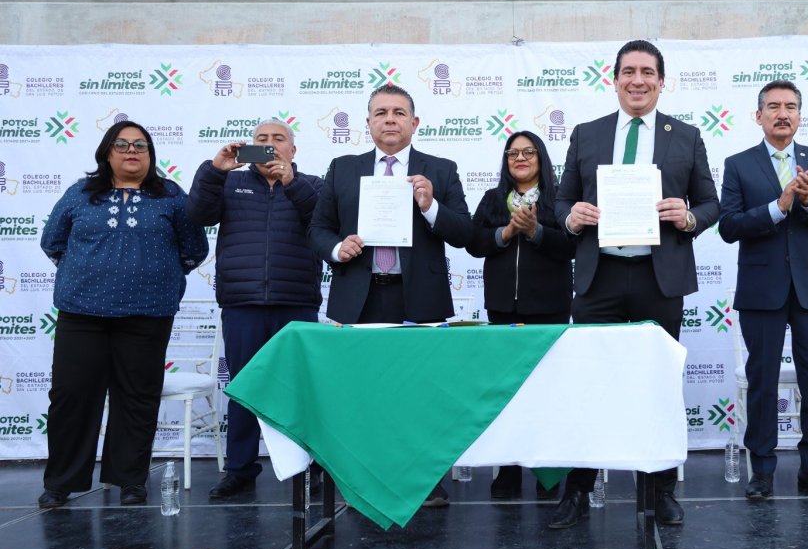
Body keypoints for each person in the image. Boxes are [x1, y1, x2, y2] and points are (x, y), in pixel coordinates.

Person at [550, 39, 720, 530]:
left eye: (648, 72)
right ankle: (577, 490)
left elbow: (711, 203)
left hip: (657, 278)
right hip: (599, 276)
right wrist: (572, 217)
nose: (638, 80)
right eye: (629, 72)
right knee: (587, 384)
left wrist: (688, 216)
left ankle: (660, 490)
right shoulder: (587, 133)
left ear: (662, 82)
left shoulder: (686, 136)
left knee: (659, 385)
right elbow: (561, 201)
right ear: (615, 79)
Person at [309, 83, 474, 507]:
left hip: (419, 298)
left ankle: (425, 480)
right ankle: (361, 478)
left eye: (399, 113)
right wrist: (337, 248)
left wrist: (430, 206)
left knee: (422, 392)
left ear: (414, 123)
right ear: (368, 123)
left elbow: (465, 232)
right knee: (360, 390)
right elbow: (318, 228)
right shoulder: (342, 168)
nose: (390, 120)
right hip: (359, 297)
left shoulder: (441, 169)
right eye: (381, 112)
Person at [37, 122, 208, 509]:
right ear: (106, 153)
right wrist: (88, 273)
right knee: (71, 396)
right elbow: (53, 241)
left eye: (140, 145)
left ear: (150, 154)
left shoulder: (171, 196)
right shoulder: (81, 194)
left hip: (147, 313)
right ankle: (61, 482)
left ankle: (130, 480)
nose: (132, 151)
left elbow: (194, 249)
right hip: (82, 313)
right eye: (122, 144)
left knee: (137, 396)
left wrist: (156, 277)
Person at [718, 80, 808, 501]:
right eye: (773, 106)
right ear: (758, 116)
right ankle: (762, 471)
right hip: (762, 288)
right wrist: (779, 207)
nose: (782, 113)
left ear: (800, 116)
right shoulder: (738, 164)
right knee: (763, 380)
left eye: (790, 106)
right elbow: (728, 226)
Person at [186, 118, 324, 501]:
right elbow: (198, 214)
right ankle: (240, 469)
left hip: (296, 300)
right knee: (245, 387)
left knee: (302, 389)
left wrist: (290, 182)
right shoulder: (230, 183)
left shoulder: (313, 184)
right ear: (249, 148)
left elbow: (322, 222)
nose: (270, 144)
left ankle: (310, 466)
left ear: (292, 150)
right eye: (261, 139)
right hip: (242, 301)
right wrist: (215, 170)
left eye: (278, 138)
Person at [466, 130, 575, 500]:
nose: (520, 158)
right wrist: (506, 231)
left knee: (547, 393)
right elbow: (474, 242)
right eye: (513, 153)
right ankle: (508, 470)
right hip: (502, 309)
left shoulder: (560, 199)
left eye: (528, 152)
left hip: (550, 309)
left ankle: (548, 473)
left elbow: (572, 246)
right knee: (506, 392)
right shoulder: (492, 198)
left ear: (541, 158)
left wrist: (536, 231)